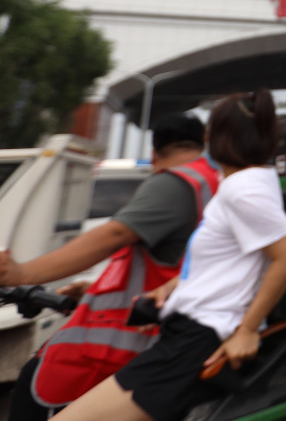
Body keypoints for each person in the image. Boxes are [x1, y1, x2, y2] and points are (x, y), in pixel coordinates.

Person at [51, 89, 286, 421]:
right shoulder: (245, 184)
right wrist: (172, 287)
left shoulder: (244, 190)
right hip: (188, 334)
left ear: (214, 138)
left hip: (196, 341)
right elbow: (230, 262)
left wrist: (248, 330)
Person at [2, 113, 219, 420]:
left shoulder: (175, 182)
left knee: (33, 386)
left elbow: (114, 235)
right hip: (166, 339)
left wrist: (20, 273)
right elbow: (178, 264)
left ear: (154, 153)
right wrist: (93, 290)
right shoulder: (213, 183)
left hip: (117, 354)